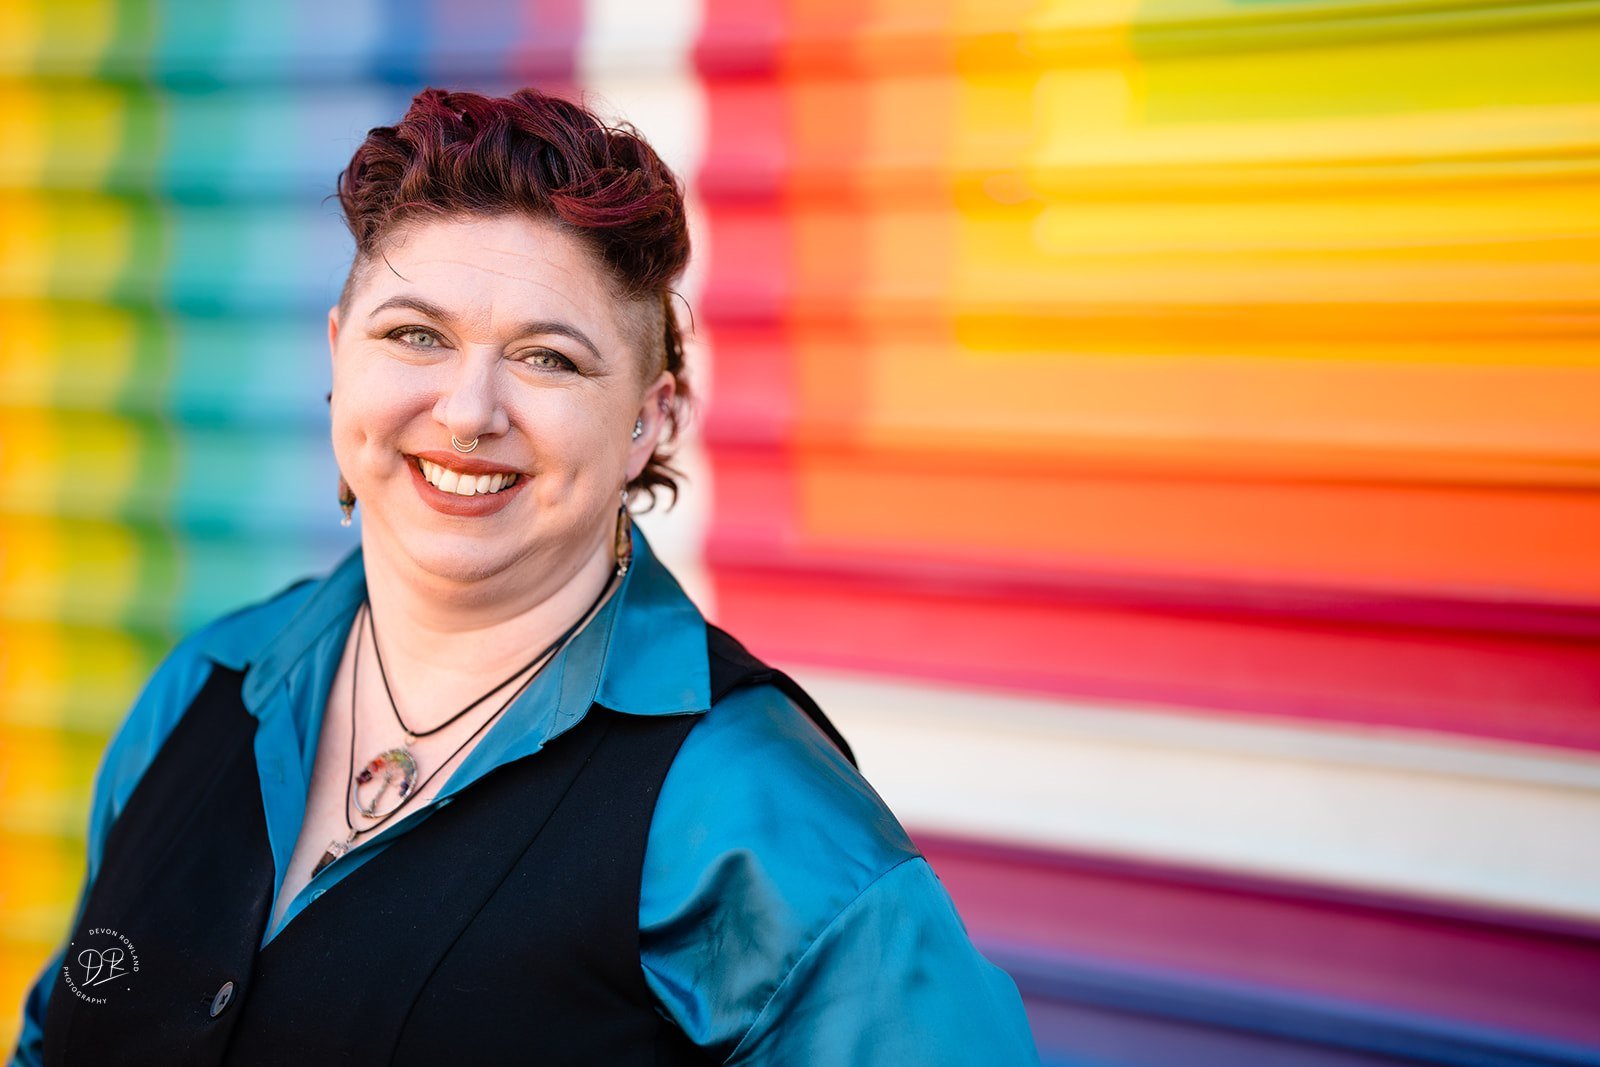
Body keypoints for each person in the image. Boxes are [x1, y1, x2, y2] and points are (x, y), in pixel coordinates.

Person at [9, 86, 1039, 1065]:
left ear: (653, 417)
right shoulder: (206, 684)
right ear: (338, 354)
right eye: (415, 335)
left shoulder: (742, 799)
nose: (468, 410)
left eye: (547, 358)